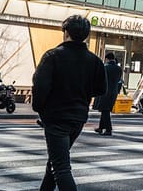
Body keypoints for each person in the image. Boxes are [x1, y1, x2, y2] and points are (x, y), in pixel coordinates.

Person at [32, 15, 107, 191]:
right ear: (86, 35)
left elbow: (40, 86)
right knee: (56, 161)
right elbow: (101, 89)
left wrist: (40, 108)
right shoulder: (95, 61)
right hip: (78, 117)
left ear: (66, 32)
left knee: (61, 167)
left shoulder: (53, 56)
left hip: (56, 117)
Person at [94, 52, 122, 136]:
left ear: (107, 59)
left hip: (105, 91)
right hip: (114, 92)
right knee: (105, 110)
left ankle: (108, 129)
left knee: (105, 110)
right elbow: (119, 81)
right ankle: (101, 127)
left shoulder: (105, 68)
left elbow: (100, 79)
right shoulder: (119, 69)